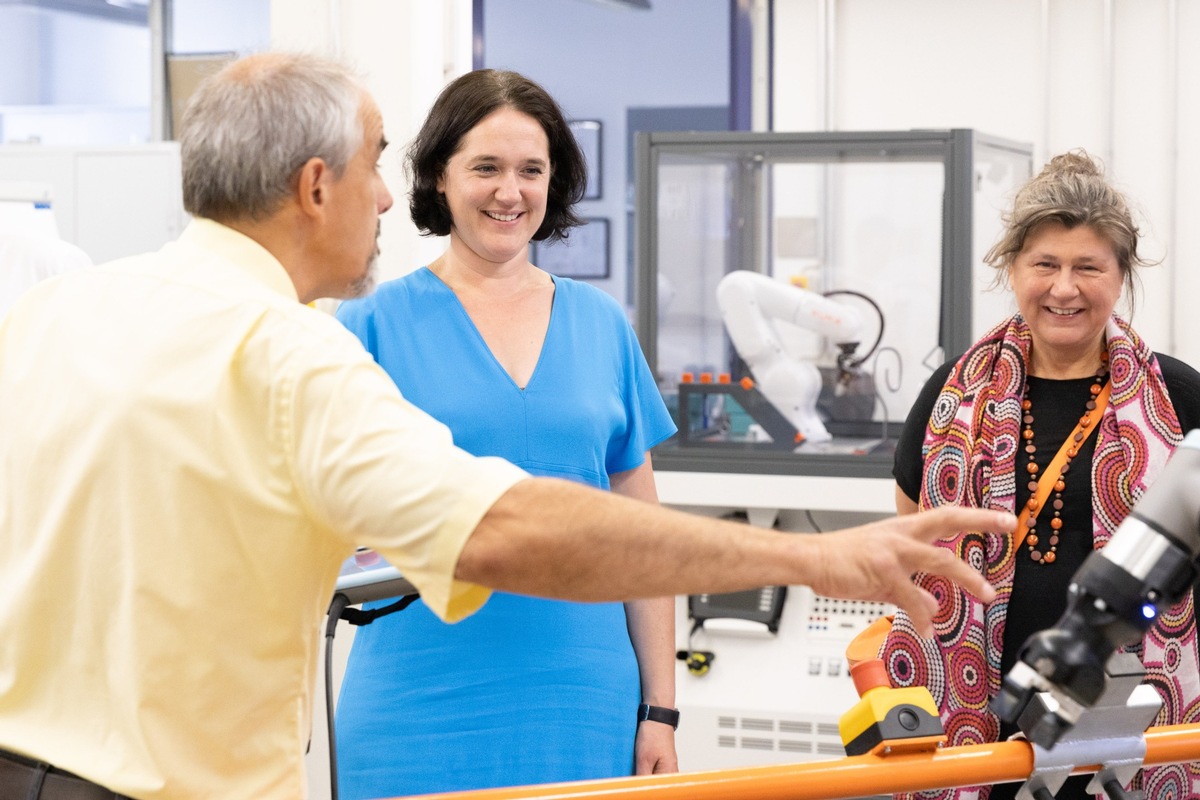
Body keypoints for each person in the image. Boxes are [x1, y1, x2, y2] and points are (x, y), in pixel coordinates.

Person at [0, 51, 1011, 800]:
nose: (383, 194)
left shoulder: (53, 313)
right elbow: (506, 527)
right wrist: (814, 561)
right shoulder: (307, 349)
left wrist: (659, 702)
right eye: (371, 166)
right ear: (317, 187)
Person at [332, 69, 677, 797]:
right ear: (438, 177)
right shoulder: (368, 327)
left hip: (583, 700)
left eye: (532, 170)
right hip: (413, 701)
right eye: (485, 167)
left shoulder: (601, 325)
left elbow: (643, 536)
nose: (509, 192)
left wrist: (661, 709)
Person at [882, 150, 1200, 800]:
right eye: (1045, 265)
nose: (1064, 287)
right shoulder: (950, 398)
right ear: (1012, 268)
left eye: (1088, 267)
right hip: (978, 716)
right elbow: (909, 546)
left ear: (1120, 275)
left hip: (1137, 714)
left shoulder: (1179, 397)